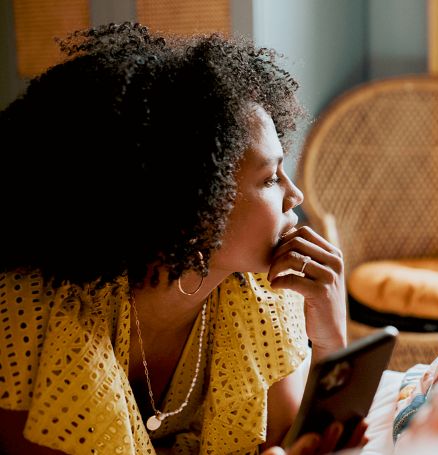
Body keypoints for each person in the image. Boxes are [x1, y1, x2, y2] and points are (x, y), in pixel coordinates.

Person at [0, 22, 364, 455]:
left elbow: (297, 443)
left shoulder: (263, 295)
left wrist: (329, 338)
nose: (295, 194)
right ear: (191, 203)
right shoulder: (28, 313)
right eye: (270, 178)